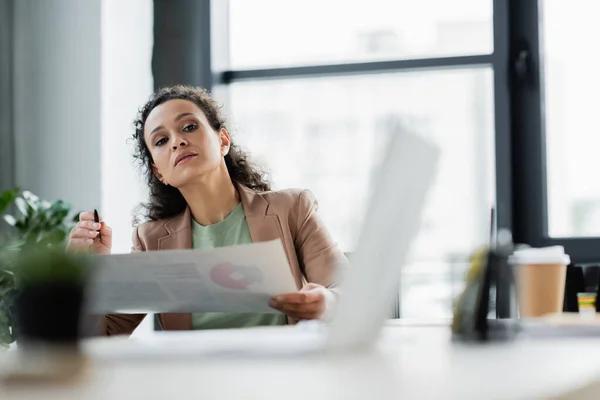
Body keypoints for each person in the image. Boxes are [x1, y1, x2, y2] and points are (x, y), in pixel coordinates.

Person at [68, 85, 347, 335]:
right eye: (161, 141)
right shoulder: (151, 240)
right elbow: (100, 338)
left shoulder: (292, 209)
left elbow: (349, 293)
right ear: (159, 172)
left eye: (189, 127)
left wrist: (324, 303)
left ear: (223, 141)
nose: (177, 141)